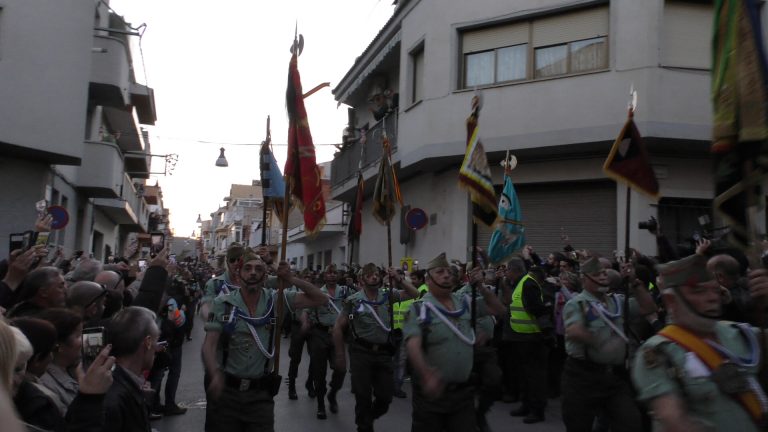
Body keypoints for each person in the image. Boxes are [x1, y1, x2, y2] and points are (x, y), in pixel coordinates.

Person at [632, 254, 768, 431]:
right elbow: (674, 420)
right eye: (699, 291)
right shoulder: (658, 352)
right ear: (671, 301)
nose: (712, 297)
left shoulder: (741, 333)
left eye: (714, 290)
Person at [202, 249, 326, 432]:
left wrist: (290, 278)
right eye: (248, 269)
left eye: (258, 269)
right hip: (227, 393)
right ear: (239, 273)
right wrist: (214, 374)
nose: (253, 273)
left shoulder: (277, 300)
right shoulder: (223, 304)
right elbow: (209, 345)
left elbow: (321, 298)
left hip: (260, 396)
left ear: (264, 275)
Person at [404, 253, 506, 432]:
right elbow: (413, 344)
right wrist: (426, 374)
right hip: (431, 396)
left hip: (463, 395)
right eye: (439, 272)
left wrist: (481, 286)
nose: (446, 275)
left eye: (448, 272)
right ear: (428, 280)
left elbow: (498, 310)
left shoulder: (464, 302)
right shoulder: (419, 308)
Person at [560, 256, 656, 432]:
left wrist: (635, 282)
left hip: (614, 377)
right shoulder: (577, 304)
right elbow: (574, 330)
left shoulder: (617, 302)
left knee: (630, 422)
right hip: (582, 376)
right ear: (585, 279)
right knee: (578, 426)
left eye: (604, 273)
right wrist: (602, 344)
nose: (603, 277)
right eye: (597, 274)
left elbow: (648, 308)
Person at [333, 263, 419, 432]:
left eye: (376, 275)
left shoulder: (388, 296)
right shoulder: (353, 300)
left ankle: (366, 418)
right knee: (362, 395)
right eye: (369, 275)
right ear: (362, 279)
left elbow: (415, 293)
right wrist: (340, 355)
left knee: (385, 397)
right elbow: (338, 327)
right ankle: (364, 426)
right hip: (360, 352)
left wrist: (399, 279)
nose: (374, 277)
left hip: (383, 353)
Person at [506, 264, 552, 424]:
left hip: (532, 337)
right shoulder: (522, 282)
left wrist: (546, 333)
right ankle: (526, 405)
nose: (506, 273)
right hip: (522, 337)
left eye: (507, 270)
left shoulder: (528, 282)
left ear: (514, 270)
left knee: (534, 376)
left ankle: (537, 410)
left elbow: (536, 308)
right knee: (525, 374)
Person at [307, 264, 351, 419]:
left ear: (338, 276)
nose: (332, 275)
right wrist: (308, 323)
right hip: (320, 334)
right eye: (329, 273)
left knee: (341, 369)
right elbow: (308, 311)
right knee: (319, 372)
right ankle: (320, 405)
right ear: (324, 276)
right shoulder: (318, 293)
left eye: (334, 273)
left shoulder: (345, 292)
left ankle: (332, 394)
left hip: (337, 336)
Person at [37, 308, 84, 416]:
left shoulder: (77, 368)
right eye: (77, 336)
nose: (84, 341)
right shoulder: (47, 385)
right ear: (59, 345)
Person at [392, 269, 428, 398]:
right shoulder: (389, 292)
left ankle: (397, 386)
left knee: (401, 360)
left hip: (404, 331)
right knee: (389, 359)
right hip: (390, 330)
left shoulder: (415, 293)